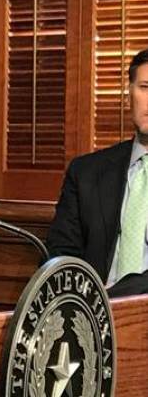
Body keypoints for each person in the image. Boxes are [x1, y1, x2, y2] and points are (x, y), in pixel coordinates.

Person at [47, 49, 148, 295]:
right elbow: (60, 258)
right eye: (145, 87)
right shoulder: (86, 173)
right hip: (89, 320)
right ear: (129, 95)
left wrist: (111, 297)